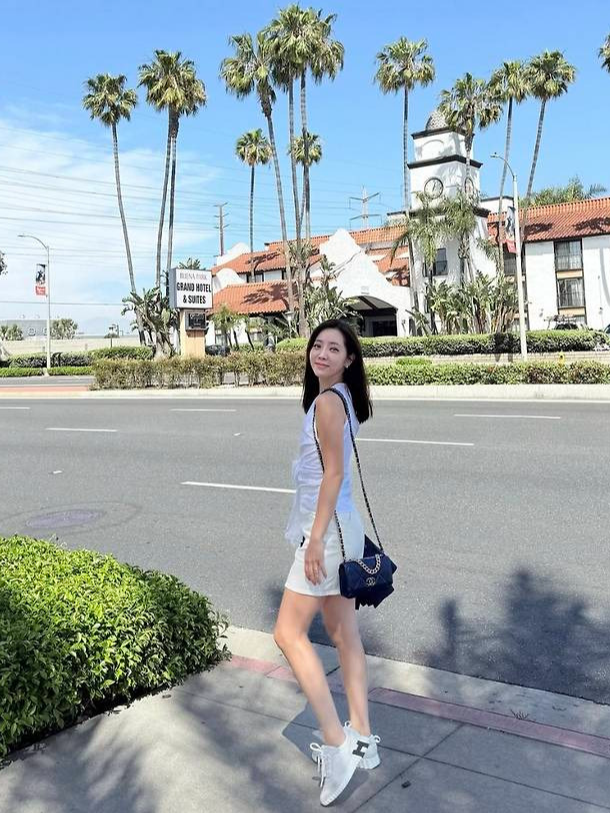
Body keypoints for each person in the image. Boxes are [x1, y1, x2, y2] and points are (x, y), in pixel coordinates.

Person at [273, 318, 380, 807]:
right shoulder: (342, 399)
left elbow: (332, 475)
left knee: (287, 634)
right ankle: (363, 738)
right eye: (317, 345)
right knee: (343, 635)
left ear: (349, 359)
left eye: (334, 349)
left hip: (328, 534)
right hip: (342, 527)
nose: (322, 354)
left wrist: (314, 540)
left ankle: (338, 746)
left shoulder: (327, 404)